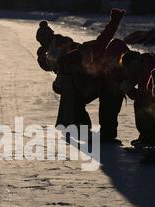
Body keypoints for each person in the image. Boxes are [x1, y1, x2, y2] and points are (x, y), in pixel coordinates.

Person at [36, 9, 129, 143]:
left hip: (106, 82)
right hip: (89, 81)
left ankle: (107, 133)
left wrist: (115, 20)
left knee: (109, 98)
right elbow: (51, 65)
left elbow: (106, 36)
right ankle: (81, 127)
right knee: (75, 97)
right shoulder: (67, 61)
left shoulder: (96, 52)